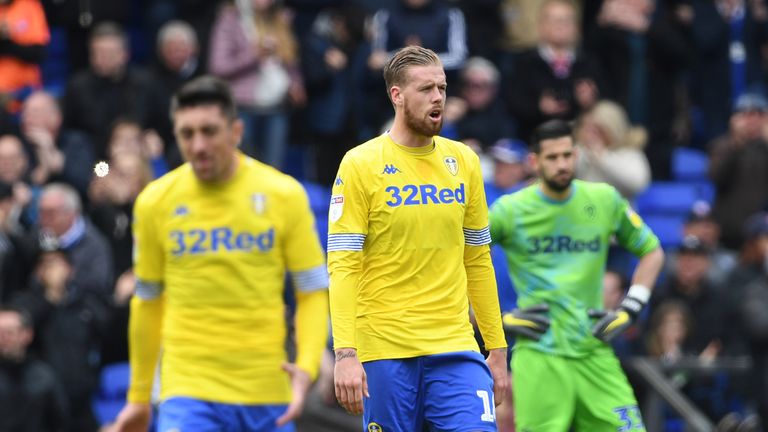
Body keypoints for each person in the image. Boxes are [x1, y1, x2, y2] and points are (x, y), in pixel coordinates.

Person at [109, 76, 329, 432]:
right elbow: (147, 303)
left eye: (209, 131)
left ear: (236, 131)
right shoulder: (155, 202)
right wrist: (138, 398)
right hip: (187, 389)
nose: (197, 145)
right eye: (186, 134)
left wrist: (306, 367)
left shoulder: (283, 194)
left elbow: (312, 290)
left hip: (266, 390)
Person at [328, 46, 509, 432]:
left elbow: (478, 258)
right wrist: (345, 352)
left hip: (455, 346)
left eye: (442, 88)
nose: (438, 98)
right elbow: (343, 264)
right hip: (384, 349)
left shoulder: (464, 162)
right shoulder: (360, 164)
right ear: (397, 96)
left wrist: (496, 348)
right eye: (426, 89)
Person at [490, 119, 665, 431]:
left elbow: (652, 251)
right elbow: (458, 261)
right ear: (534, 161)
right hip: (540, 354)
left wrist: (630, 309)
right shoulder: (510, 210)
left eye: (568, 155)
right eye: (553, 157)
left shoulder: (604, 200)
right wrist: (497, 321)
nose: (562, 165)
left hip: (593, 349)